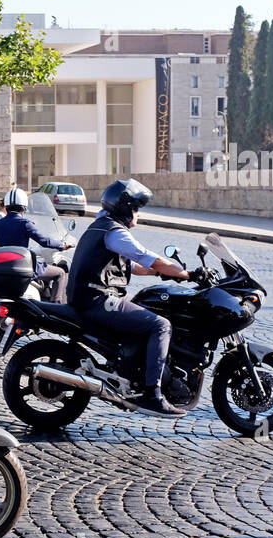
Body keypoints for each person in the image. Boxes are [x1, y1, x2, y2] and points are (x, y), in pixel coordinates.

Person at [66, 179, 194, 418]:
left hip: (86, 297)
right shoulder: (115, 232)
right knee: (161, 325)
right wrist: (186, 273)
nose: (137, 213)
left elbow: (135, 265)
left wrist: (163, 272)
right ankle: (152, 395)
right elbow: (148, 257)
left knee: (144, 310)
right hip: (97, 299)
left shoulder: (100, 227)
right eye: (135, 207)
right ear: (124, 207)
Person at [0, 188, 74, 303]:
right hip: (23, 265)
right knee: (60, 273)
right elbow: (44, 241)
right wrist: (62, 245)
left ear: (6, 205)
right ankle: (55, 305)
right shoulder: (24, 224)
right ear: (24, 206)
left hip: (5, 265)